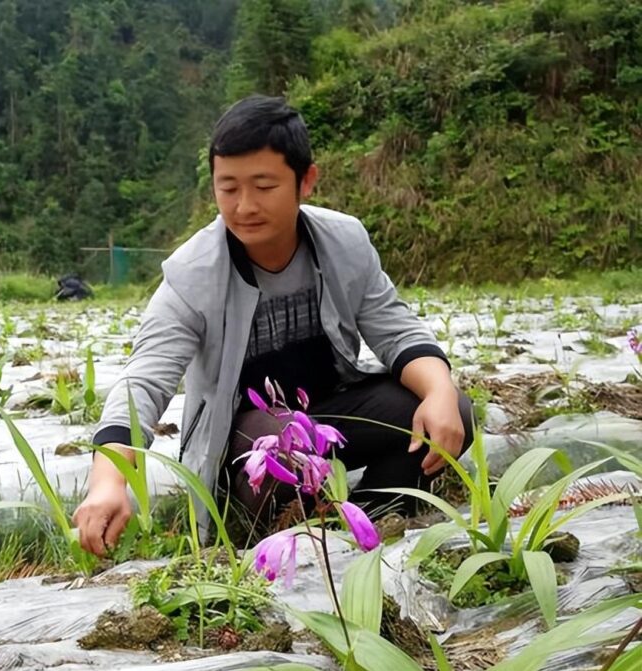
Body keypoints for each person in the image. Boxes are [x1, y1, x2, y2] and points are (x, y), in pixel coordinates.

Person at [73, 95, 473, 555]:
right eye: (228, 188)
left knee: (452, 410)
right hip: (245, 452)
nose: (244, 206)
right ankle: (271, 542)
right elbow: (142, 383)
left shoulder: (344, 242)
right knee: (284, 441)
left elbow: (396, 331)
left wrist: (440, 390)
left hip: (329, 416)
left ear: (306, 181)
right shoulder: (192, 275)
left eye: (263, 186)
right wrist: (109, 481)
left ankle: (366, 530)